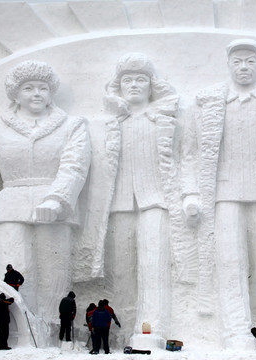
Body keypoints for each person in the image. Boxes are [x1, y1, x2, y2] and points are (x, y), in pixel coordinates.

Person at [181, 39, 256, 349]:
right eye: (237, 61)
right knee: (229, 260)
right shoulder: (207, 103)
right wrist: (191, 193)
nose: (244, 67)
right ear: (228, 65)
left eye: (250, 61)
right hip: (223, 194)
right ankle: (236, 329)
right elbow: (190, 154)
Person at [0, 60, 91, 322]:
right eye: (29, 88)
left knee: (54, 277)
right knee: (13, 274)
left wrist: (56, 200)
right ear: (16, 94)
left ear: (51, 92)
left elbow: (74, 167)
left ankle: (54, 335)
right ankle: (16, 331)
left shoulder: (71, 125)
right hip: (10, 207)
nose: (36, 94)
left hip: (55, 210)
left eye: (42, 88)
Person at [75, 52, 186, 347]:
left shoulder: (163, 118)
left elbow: (185, 158)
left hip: (155, 200)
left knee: (153, 266)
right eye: (127, 80)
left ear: (152, 85)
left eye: (141, 79)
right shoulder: (109, 123)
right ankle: (118, 331)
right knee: (119, 271)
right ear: (118, 86)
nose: (134, 85)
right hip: (118, 204)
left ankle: (151, 328)